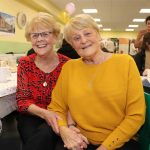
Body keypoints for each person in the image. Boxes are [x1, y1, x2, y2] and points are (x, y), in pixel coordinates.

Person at [48, 14, 145, 150]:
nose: (83, 40)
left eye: (87, 33)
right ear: (72, 44)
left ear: (98, 35)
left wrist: (105, 147)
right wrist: (65, 130)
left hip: (120, 141)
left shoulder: (125, 63)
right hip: (80, 140)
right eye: (76, 38)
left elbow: (136, 115)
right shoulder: (69, 67)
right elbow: (56, 106)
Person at [16, 12, 71, 150]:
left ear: (55, 36)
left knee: (48, 135)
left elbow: (73, 100)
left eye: (45, 34)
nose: (40, 39)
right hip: (32, 115)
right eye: (35, 35)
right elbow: (22, 101)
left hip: (60, 116)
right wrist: (45, 114)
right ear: (30, 39)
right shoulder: (25, 63)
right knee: (42, 135)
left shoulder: (68, 65)